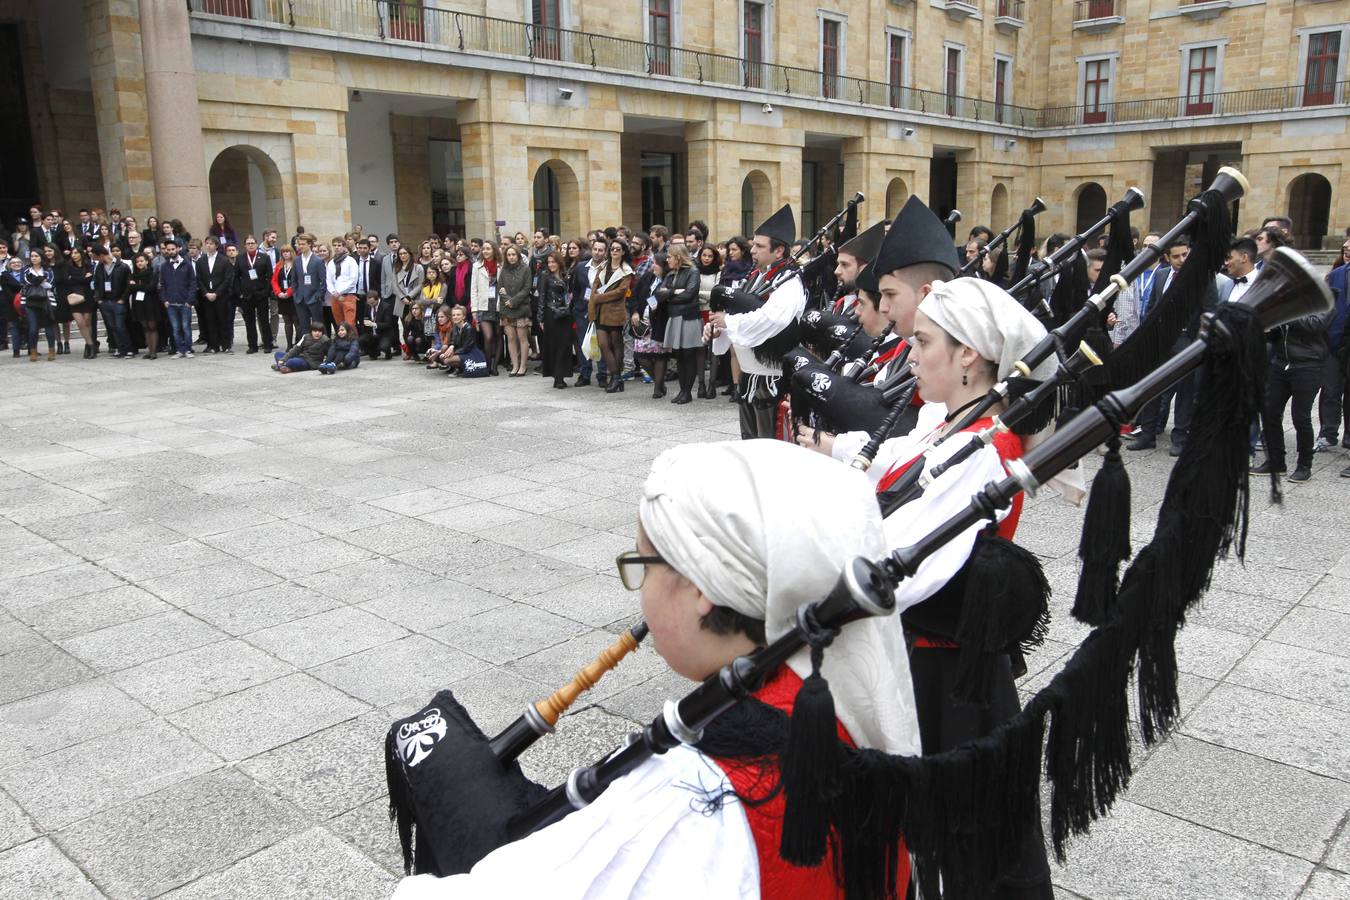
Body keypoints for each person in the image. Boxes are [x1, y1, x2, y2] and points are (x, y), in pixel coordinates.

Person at [390, 439, 921, 900]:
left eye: (642, 564)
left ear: (703, 592)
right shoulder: (832, 704)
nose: (639, 588)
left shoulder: (688, 795)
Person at [801, 277, 1057, 897]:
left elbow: (905, 567)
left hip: (946, 686)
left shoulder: (985, 449)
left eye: (923, 341)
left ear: (968, 354)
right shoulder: (947, 424)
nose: (909, 353)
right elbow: (890, 461)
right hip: (921, 663)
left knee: (958, 853)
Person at [708, 205, 806, 438]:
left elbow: (772, 318)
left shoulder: (790, 282)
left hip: (772, 375)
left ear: (779, 250)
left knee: (768, 446)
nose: (752, 250)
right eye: (753, 244)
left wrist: (728, 322)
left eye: (759, 246)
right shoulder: (758, 275)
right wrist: (717, 327)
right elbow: (738, 311)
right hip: (749, 372)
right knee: (749, 441)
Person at [1128, 236, 1233, 455]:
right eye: (1176, 256)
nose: (1181, 260)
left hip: (1187, 340)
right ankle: (1147, 434)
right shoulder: (1161, 275)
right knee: (1152, 388)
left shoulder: (1203, 278)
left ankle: (1179, 437)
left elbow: (1210, 312)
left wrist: (1200, 344)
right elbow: (1151, 307)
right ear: (1167, 257)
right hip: (1159, 341)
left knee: (1186, 390)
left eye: (1185, 254)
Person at [1317, 237, 1350, 461]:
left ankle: (1348, 436)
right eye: (1345, 248)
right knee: (1330, 390)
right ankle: (1328, 433)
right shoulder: (1337, 274)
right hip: (1334, 341)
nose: (1346, 251)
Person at [659, 245, 703, 405]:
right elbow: (659, 294)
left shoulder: (693, 272)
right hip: (675, 316)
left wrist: (669, 295)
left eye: (670, 256)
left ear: (678, 257)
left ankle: (687, 392)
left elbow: (690, 294)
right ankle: (682, 390)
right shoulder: (671, 274)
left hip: (688, 317)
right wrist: (673, 293)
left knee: (688, 355)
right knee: (679, 356)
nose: (667, 259)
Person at [590, 238, 635, 392]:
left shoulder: (627, 270)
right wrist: (594, 301)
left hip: (615, 311)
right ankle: (616, 377)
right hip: (601, 311)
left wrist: (599, 297)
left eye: (618, 249)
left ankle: (616, 378)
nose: (614, 251)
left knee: (616, 344)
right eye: (612, 249)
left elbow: (621, 292)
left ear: (623, 252)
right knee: (603, 344)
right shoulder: (603, 266)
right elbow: (595, 286)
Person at [631, 251, 671, 399]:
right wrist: (634, 312)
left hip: (660, 322)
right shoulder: (647, 277)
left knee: (660, 356)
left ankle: (657, 388)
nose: (653, 266)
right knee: (641, 356)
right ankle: (659, 382)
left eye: (656, 263)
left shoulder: (669, 280)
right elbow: (634, 295)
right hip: (643, 323)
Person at [569, 238, 604, 386]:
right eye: (595, 249)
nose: (597, 252)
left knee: (601, 343)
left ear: (605, 252)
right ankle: (585, 374)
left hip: (602, 310)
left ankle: (602, 375)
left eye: (601, 250)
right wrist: (577, 306)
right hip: (582, 310)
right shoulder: (581, 267)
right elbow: (575, 288)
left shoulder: (608, 268)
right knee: (584, 342)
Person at [538, 250, 573, 388]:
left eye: (553, 262)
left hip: (565, 315)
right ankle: (557, 377)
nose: (551, 264)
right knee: (554, 345)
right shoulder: (545, 276)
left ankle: (562, 374)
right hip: (551, 314)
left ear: (559, 262)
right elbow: (541, 297)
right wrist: (540, 318)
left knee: (564, 345)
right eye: (549, 262)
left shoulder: (566, 276)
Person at [498, 244, 533, 377]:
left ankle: (523, 365)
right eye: (509, 255)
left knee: (522, 338)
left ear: (518, 255)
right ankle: (515, 365)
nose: (511, 257)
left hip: (521, 307)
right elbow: (500, 288)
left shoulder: (525, 269)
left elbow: (526, 288)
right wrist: (508, 300)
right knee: (511, 338)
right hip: (506, 309)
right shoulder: (504, 269)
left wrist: (514, 301)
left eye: (513, 255)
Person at [158, 238, 197, 358]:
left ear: (178, 249)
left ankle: (188, 349)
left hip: (184, 302)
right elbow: (162, 284)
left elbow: (193, 283)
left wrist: (190, 300)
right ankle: (180, 350)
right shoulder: (164, 266)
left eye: (172, 249)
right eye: (168, 249)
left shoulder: (187, 264)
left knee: (186, 327)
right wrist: (164, 300)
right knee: (175, 328)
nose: (170, 251)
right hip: (171, 303)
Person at [92, 245, 131, 358]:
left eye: (96, 258)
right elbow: (97, 283)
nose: (96, 260)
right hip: (105, 300)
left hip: (118, 300)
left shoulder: (122, 266)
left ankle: (128, 349)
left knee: (120, 326)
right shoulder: (100, 267)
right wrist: (98, 298)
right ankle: (119, 348)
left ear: (102, 255)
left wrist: (123, 299)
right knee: (112, 327)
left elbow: (128, 285)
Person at [238, 235, 275, 353]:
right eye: (248, 243)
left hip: (261, 294)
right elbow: (236, 277)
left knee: (264, 320)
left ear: (256, 244)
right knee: (249, 322)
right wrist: (240, 292)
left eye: (252, 243)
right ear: (245, 245)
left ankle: (268, 344)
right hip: (247, 295)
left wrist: (266, 291)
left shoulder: (264, 257)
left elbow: (270, 276)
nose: (250, 245)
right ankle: (252, 345)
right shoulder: (240, 258)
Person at [19, 250, 58, 361]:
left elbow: (50, 283)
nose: (33, 258)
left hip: (46, 301)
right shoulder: (26, 269)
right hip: (30, 301)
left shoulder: (48, 270)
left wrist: (36, 281)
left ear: (41, 257)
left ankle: (51, 350)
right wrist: (39, 280)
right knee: (33, 328)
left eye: (36, 256)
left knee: (49, 327)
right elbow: (24, 281)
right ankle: (33, 351)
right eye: (32, 256)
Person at [470, 242, 501, 375]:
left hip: (498, 305)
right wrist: (474, 310)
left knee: (499, 335)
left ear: (494, 250)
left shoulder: (501, 265)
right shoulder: (476, 266)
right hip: (483, 306)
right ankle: (488, 365)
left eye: (488, 249)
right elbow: (474, 289)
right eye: (484, 249)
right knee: (488, 337)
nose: (486, 251)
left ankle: (495, 366)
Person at [54, 245, 91, 356]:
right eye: (72, 253)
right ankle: (90, 344)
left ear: (81, 254)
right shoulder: (68, 266)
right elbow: (67, 280)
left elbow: (89, 279)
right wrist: (82, 279)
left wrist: (75, 279)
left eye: (76, 253)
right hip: (74, 296)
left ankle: (88, 345)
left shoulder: (88, 264)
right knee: (80, 323)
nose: (74, 255)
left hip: (87, 296)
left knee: (87, 322)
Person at [128, 252, 161, 359]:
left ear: (147, 261)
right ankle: (149, 350)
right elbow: (130, 287)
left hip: (150, 302)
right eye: (137, 262)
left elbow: (151, 287)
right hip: (139, 303)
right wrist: (140, 286)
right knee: (145, 327)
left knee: (152, 326)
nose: (139, 263)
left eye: (142, 261)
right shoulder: (133, 275)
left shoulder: (152, 273)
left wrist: (137, 285)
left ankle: (154, 350)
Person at [293, 233, 327, 336]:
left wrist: (319, 296)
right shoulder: (297, 260)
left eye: (303, 244)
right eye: (299, 244)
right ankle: (307, 347)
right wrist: (295, 294)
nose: (300, 246)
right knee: (304, 326)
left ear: (310, 244)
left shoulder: (318, 261)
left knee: (317, 325)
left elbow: (323, 281)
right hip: (300, 298)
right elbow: (294, 280)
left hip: (314, 297)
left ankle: (320, 347)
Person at [327, 236, 359, 329]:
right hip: (335, 296)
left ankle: (353, 343)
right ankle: (342, 343)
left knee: (350, 324)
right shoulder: (331, 262)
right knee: (339, 324)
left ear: (344, 246)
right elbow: (329, 280)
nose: (336, 247)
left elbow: (353, 280)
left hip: (348, 295)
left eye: (339, 245)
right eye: (335, 245)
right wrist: (334, 292)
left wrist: (339, 292)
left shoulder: (350, 261)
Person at [1, 255, 27, 356]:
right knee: (15, 327)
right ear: (10, 265)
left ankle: (30, 347)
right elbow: (7, 291)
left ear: (22, 264)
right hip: (11, 304)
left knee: (29, 326)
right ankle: (16, 350)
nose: (16, 264)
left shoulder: (27, 274)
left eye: (18, 262)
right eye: (13, 263)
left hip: (26, 302)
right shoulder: (5, 276)